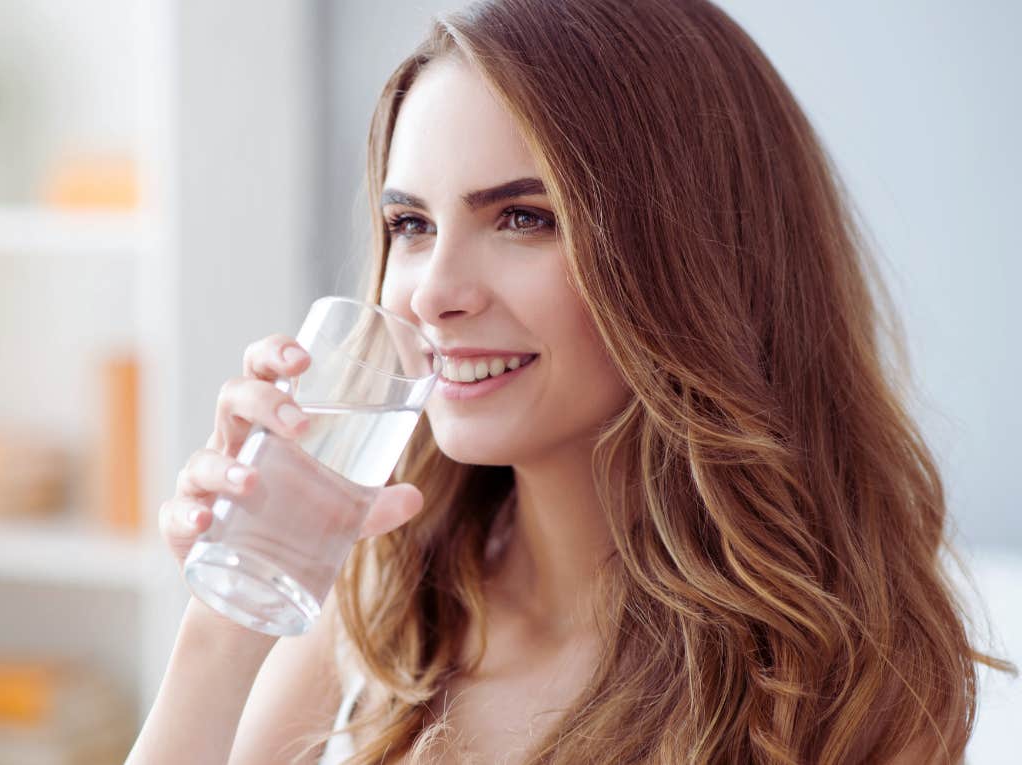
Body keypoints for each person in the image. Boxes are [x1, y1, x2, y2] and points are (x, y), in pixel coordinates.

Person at [126, 1, 1010, 762]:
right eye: (411, 223)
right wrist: (226, 617)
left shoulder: (848, 678)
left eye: (523, 218)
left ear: (690, 256)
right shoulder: (378, 605)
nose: (433, 293)